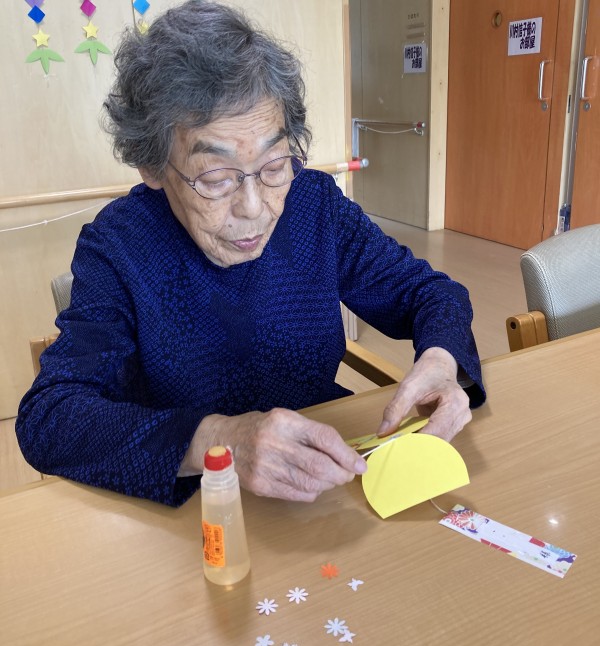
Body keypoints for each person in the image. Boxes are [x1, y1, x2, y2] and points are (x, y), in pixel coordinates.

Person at [17, 0, 485, 507]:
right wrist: (219, 441)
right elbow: (51, 417)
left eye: (274, 165)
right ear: (153, 166)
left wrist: (442, 359)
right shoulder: (119, 245)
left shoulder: (313, 205)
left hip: (325, 485)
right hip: (198, 506)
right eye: (216, 178)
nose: (255, 207)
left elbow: (430, 293)